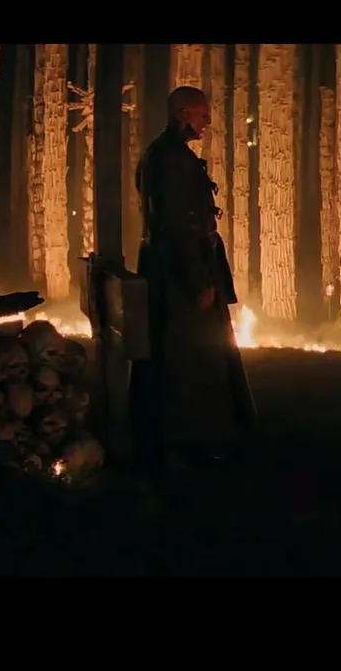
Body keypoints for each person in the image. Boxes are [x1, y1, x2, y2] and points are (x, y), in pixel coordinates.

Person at [128, 86, 258, 469]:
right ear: (182, 113)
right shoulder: (168, 159)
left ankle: (188, 438)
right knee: (188, 358)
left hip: (176, 271)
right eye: (202, 115)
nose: (207, 122)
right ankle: (184, 440)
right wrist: (198, 278)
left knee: (192, 356)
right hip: (178, 278)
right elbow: (177, 224)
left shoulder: (166, 155)